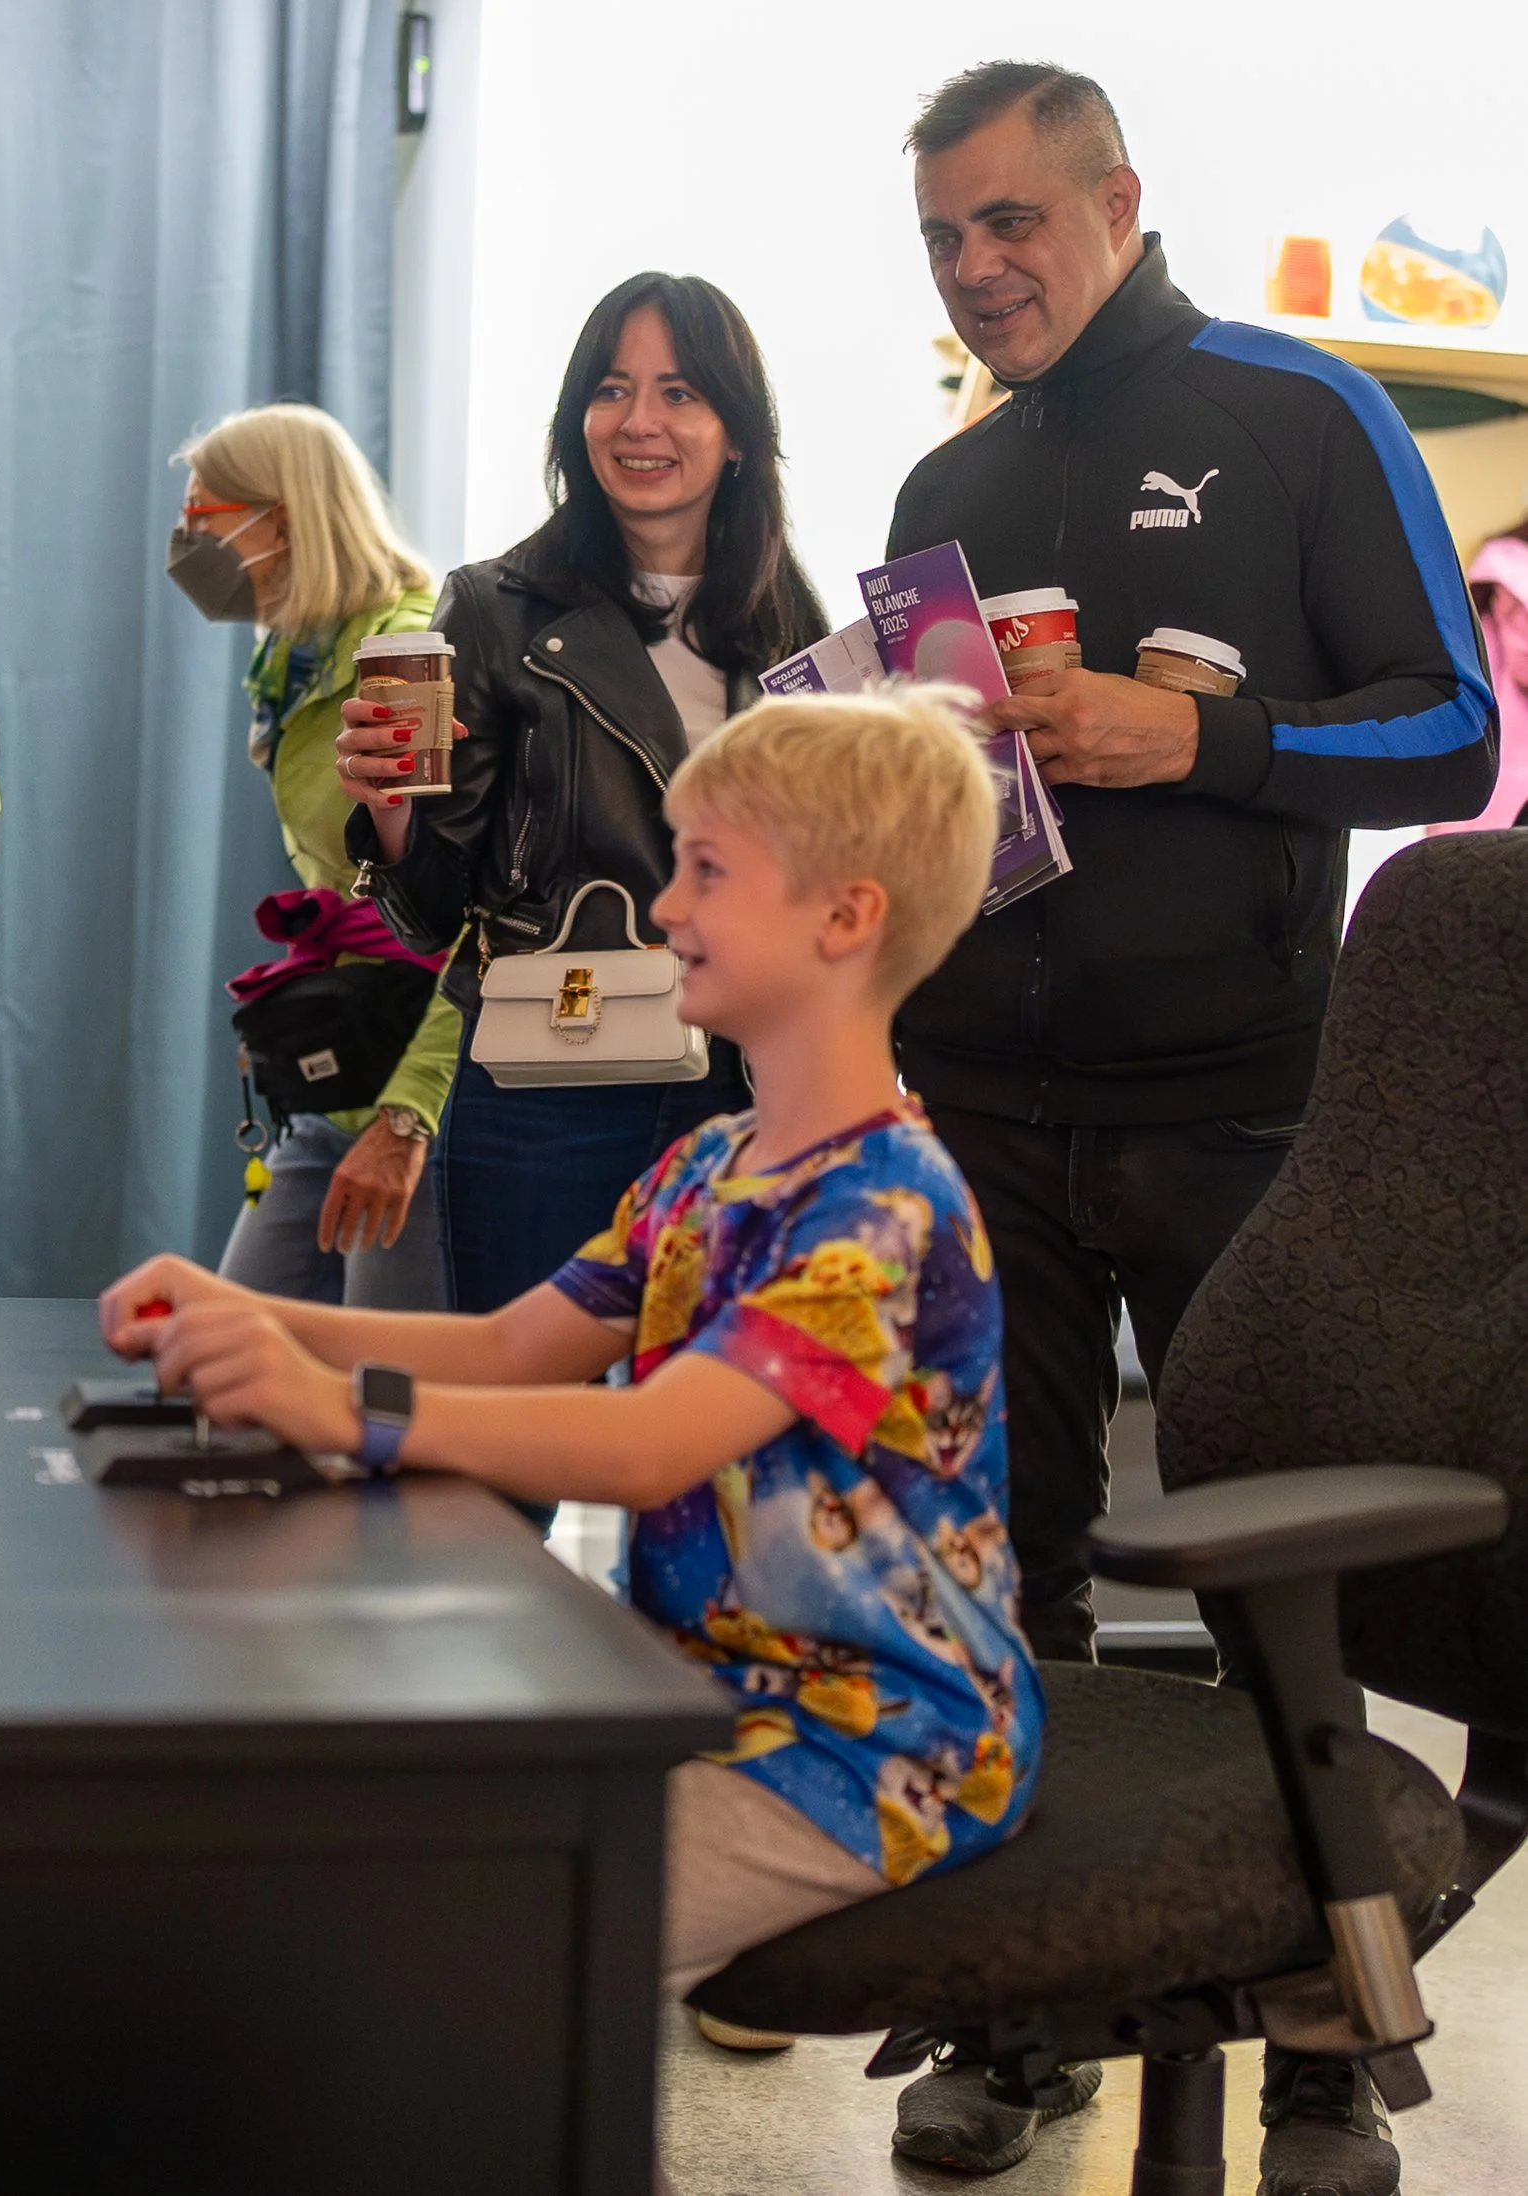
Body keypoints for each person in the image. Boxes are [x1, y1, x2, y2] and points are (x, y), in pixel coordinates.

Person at [98, 690, 1035, 2196]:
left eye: (707, 872)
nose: (660, 906)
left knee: (475, 1963)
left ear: (848, 917)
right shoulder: (711, 1162)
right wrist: (255, 1313)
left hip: (880, 1744)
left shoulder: (883, 1213)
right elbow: (515, 1346)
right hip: (690, 1691)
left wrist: (341, 1411)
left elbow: (653, 1444)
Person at [886, 61, 1497, 2188]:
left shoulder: (1295, 410)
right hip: (976, 1108)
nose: (976, 268)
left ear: (1112, 203)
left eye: (1006, 223)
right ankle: (1013, 2002)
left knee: (1274, 1609)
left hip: (1244, 1115)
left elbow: (1448, 725)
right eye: (943, 238)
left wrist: (1200, 734)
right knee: (1004, 1581)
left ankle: (1323, 2041)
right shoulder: (935, 485)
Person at [335, 273, 828, 1317]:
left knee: (709, 1437)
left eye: (681, 393)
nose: (640, 422)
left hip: (738, 1078)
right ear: (576, 421)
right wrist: (386, 809)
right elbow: (428, 910)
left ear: (738, 434)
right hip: (547, 1074)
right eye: (612, 390)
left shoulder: (788, 616)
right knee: (512, 1435)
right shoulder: (491, 608)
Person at [167, 404, 458, 1306]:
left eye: (202, 519)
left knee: (383, 1387)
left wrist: (410, 1117)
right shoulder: (295, 657)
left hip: (423, 1080)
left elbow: (478, 924)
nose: (183, 544)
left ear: (279, 520)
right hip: (351, 1064)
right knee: (235, 1352)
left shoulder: (405, 656)